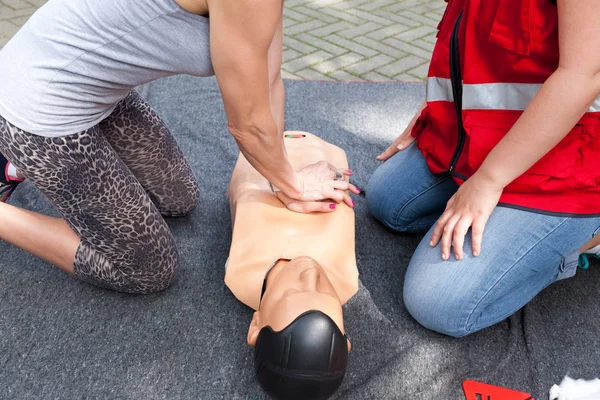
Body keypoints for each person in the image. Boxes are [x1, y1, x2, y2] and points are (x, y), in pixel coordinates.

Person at [0, 0, 358, 293]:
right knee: (147, 269)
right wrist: (293, 186)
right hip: (36, 110)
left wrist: (282, 174)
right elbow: (247, 126)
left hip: (95, 95)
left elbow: (268, 79)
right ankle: (18, 171)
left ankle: (16, 165)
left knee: (178, 198)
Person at [366, 0, 600, 337]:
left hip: (569, 161)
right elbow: (469, 34)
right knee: (388, 200)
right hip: (486, 138)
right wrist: (435, 111)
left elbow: (584, 74)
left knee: (437, 301)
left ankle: (583, 239)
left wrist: (490, 180)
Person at [226, 132, 358, 400]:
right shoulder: (347, 277)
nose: (309, 272)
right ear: (346, 340)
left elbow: (245, 183)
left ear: (255, 326)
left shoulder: (240, 271)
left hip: (263, 142)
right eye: (325, 292)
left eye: (292, 293)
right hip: (322, 146)